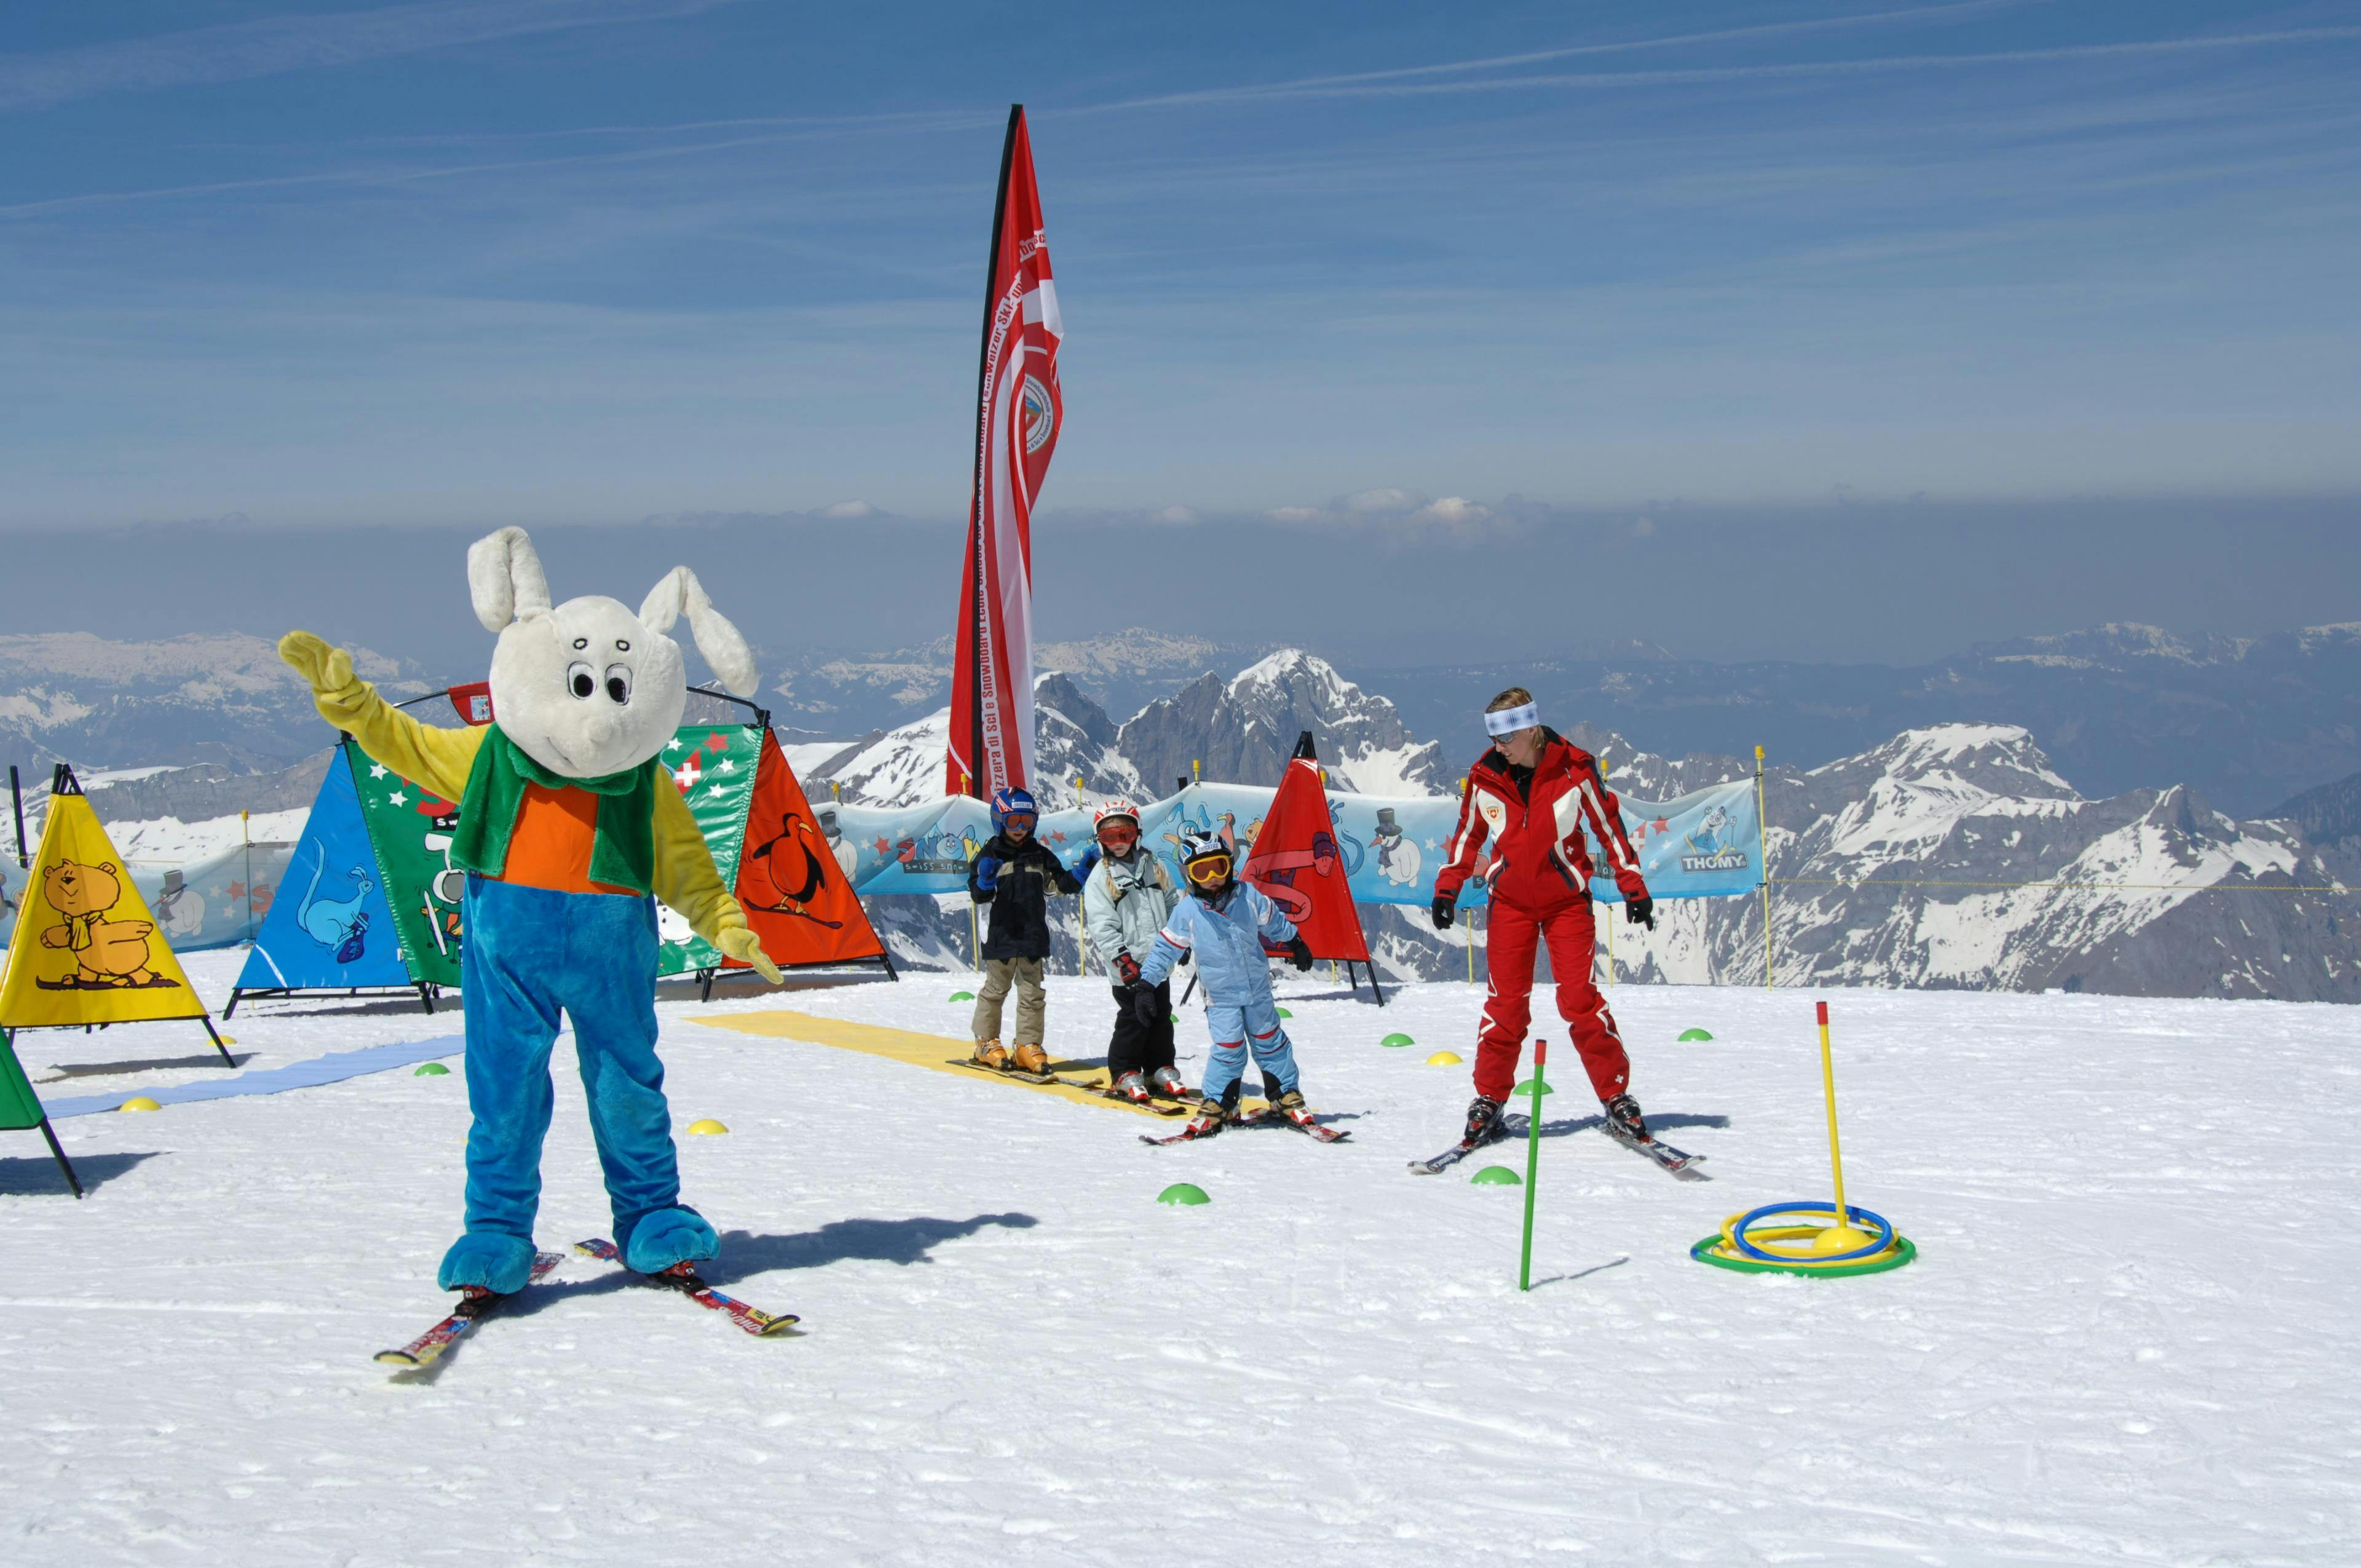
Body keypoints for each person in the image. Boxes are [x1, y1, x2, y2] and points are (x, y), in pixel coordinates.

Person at [1431, 687, 1657, 1150]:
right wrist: (1447, 889)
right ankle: (1489, 1098)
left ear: (1531, 729)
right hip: (1510, 904)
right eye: (1493, 738)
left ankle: (1616, 1095)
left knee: (1579, 1000)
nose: (1500, 748)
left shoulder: (1574, 770)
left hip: (1566, 904)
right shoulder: (1484, 777)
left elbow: (1609, 828)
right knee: (1506, 1005)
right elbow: (1466, 838)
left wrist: (1634, 886)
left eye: (1507, 737)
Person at [1135, 830, 1316, 1136]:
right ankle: (1220, 1102)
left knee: (1271, 1041)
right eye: (1201, 871)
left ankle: (1285, 1095)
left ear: (1230, 866)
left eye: (1219, 867)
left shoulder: (1247, 896)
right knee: (1228, 1048)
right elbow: (1166, 948)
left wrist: (1295, 941)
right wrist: (1146, 984)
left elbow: (1273, 919)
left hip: (1258, 990)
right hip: (1221, 997)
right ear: (1189, 875)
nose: (1213, 878)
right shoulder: (1188, 911)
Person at [1079, 799, 1187, 1103]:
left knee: (1162, 1016)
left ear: (1136, 834)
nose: (1118, 844)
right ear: (1100, 840)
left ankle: (1158, 1067)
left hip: (1158, 962)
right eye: (1109, 837)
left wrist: (1180, 940)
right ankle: (1125, 1070)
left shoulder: (1154, 866)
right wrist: (1122, 960)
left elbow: (1171, 905)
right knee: (1133, 1018)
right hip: (1128, 966)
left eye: (1124, 835)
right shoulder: (1102, 876)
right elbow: (1102, 925)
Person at [968, 785, 1080, 1075]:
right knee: (995, 990)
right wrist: (984, 882)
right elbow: (978, 897)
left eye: (1027, 822)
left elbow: (1056, 885)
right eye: (1013, 821)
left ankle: (1027, 1046)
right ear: (999, 821)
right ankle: (986, 1042)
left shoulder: (1039, 855)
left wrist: (1078, 875)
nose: (1020, 829)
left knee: (1032, 993)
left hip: (1032, 936)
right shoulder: (989, 855)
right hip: (1000, 936)